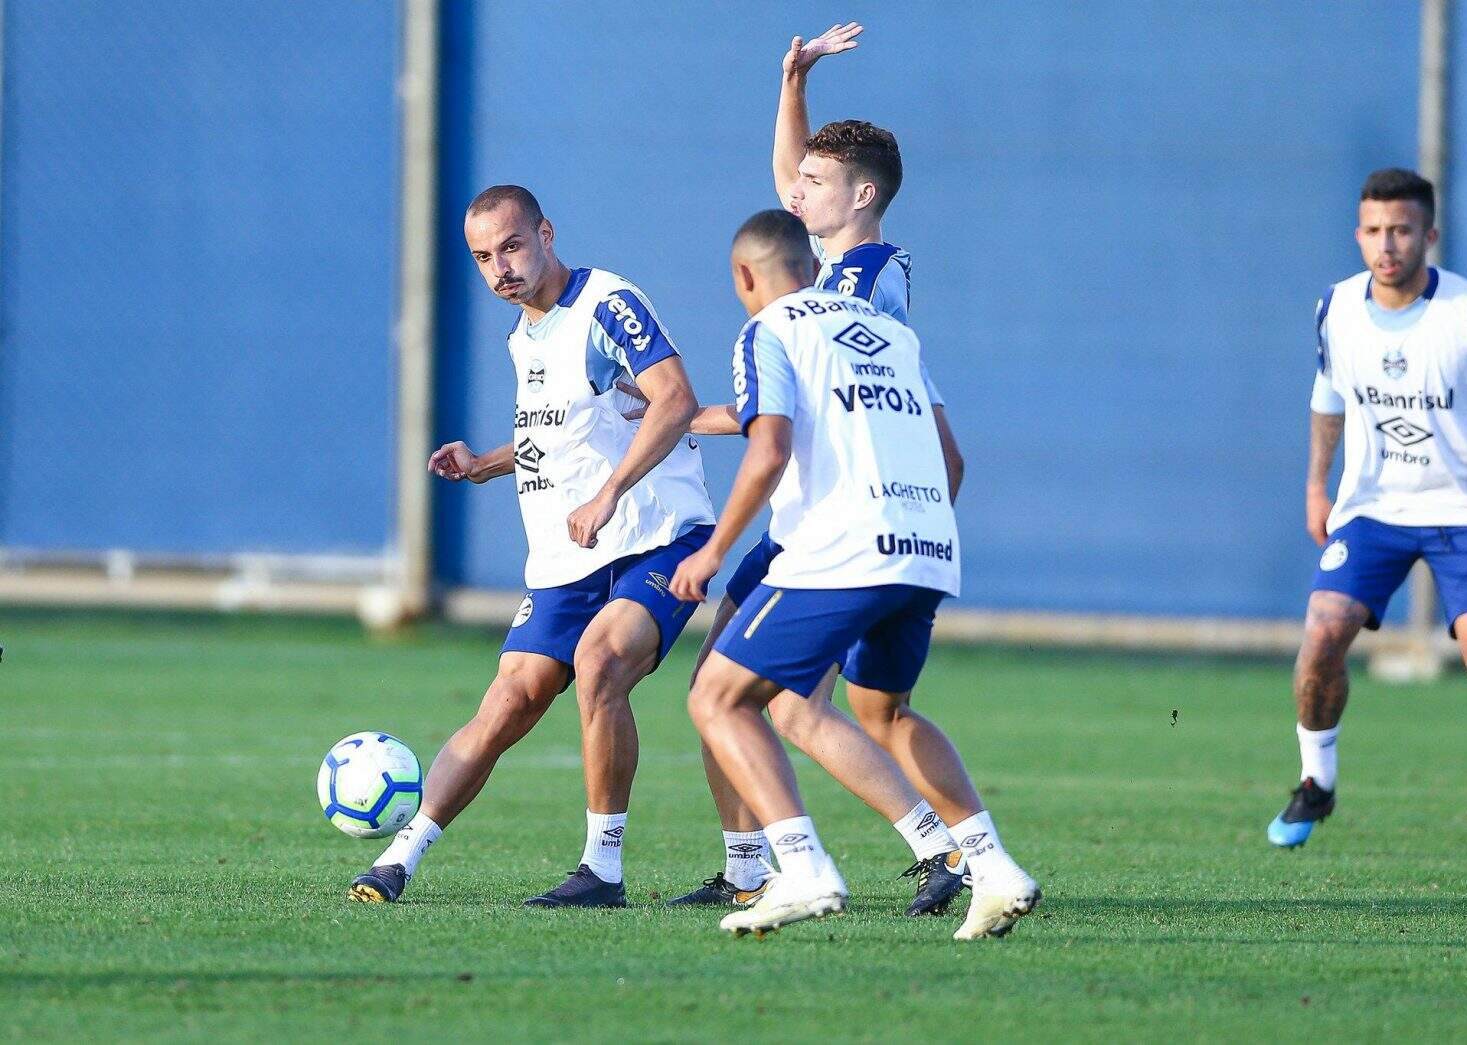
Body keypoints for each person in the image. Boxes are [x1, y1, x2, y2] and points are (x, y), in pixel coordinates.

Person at [650, 23, 989, 919]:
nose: (794, 187)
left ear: (862, 194)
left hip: (835, 529)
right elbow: (785, 187)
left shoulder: (860, 284)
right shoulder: (830, 269)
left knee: (766, 699)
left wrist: (679, 417)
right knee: (758, 696)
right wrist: (792, 80)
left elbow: (783, 417)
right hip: (852, 524)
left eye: (815, 180)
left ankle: (826, 863)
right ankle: (883, 856)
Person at [675, 209, 1040, 939]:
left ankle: (801, 865)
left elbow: (769, 445)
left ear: (745, 277)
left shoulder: (768, 329)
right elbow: (952, 459)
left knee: (716, 695)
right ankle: (994, 868)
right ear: (811, 269)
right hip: (927, 544)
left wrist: (713, 549)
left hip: (845, 548)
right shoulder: (897, 337)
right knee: (882, 712)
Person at [347, 184, 715, 905]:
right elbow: (568, 428)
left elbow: (674, 398)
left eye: (512, 246)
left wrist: (609, 493)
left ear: (546, 232)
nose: (500, 268)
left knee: (599, 661)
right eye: (483, 257)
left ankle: (602, 870)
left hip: (655, 537)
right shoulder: (524, 333)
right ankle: (398, 860)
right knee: (509, 700)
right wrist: (485, 462)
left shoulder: (607, 303)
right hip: (567, 556)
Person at [1268, 168, 1467, 864]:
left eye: (1400, 230)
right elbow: (1328, 398)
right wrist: (1316, 485)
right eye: (1372, 230)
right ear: (1358, 234)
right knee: (1322, 634)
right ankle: (1317, 778)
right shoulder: (1336, 308)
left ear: (1429, 233)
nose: (1386, 244)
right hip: (1375, 507)